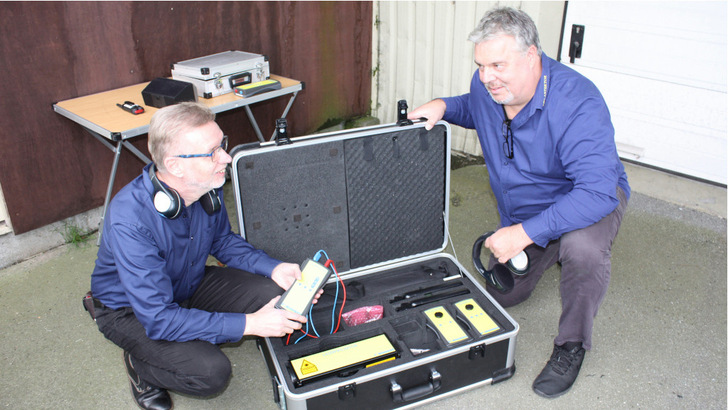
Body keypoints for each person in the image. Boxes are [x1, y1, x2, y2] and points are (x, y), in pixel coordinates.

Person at [408, 7, 630, 398]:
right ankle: (546, 243)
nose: (486, 76)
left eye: (497, 64)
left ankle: (571, 344)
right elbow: (472, 106)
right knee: (505, 294)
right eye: (480, 65)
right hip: (527, 210)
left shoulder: (578, 103)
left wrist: (525, 234)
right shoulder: (488, 88)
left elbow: (597, 192)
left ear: (532, 57)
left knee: (583, 249)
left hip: (585, 199)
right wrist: (444, 105)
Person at [88, 102, 315, 410]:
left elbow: (223, 241)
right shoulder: (129, 218)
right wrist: (249, 324)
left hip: (186, 282)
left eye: (222, 144)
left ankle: (192, 332)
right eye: (212, 152)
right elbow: (158, 318)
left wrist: (274, 268)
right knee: (210, 373)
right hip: (130, 311)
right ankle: (141, 364)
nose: (225, 157)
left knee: (274, 291)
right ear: (176, 165)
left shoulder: (207, 185)